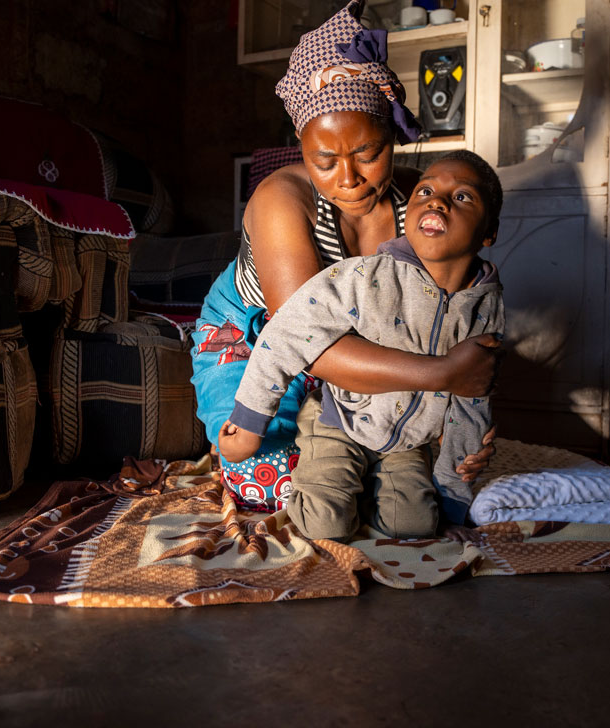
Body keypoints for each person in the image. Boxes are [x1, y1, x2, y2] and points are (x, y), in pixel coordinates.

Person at [190, 0, 499, 512]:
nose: (350, 180)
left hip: (369, 342)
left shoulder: (418, 203)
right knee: (268, 485)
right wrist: (445, 375)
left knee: (410, 477)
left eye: (370, 154)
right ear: (301, 145)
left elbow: (453, 314)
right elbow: (308, 344)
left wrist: (465, 415)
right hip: (260, 337)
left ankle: (368, 445)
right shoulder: (281, 202)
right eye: (325, 161)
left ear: (393, 135)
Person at [217, 151, 504, 540]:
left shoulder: (485, 306)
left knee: (417, 525)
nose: (437, 201)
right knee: (325, 525)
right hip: (341, 421)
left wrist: (456, 481)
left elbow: (474, 393)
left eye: (462, 197)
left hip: (407, 442)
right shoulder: (365, 276)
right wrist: (251, 420)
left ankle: (369, 489)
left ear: (489, 232)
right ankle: (334, 478)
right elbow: (288, 331)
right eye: (426, 191)